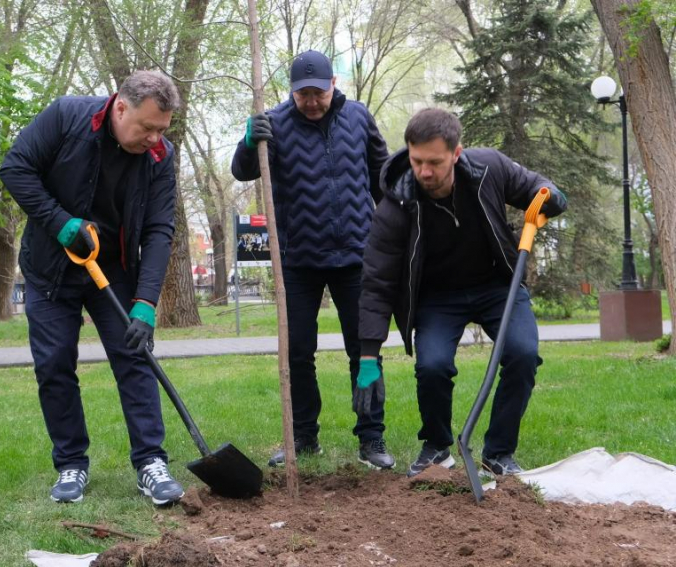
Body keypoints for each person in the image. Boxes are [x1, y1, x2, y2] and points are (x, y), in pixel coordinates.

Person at [0, 70, 185, 505]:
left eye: (162, 129)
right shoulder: (66, 117)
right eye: (148, 127)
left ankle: (150, 462)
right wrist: (60, 223)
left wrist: (145, 302)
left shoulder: (160, 155)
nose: (155, 139)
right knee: (54, 365)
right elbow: (15, 168)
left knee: (135, 357)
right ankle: (71, 464)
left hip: (114, 269)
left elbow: (159, 228)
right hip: (51, 268)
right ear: (120, 108)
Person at [356, 108, 567, 478]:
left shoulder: (489, 168)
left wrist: (550, 197)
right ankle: (436, 447)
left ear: (456, 153)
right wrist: (368, 356)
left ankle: (498, 453)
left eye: (435, 162)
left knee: (523, 354)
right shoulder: (396, 205)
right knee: (432, 366)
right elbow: (377, 281)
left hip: (497, 285)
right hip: (438, 297)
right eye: (417, 161)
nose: (424, 171)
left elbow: (539, 189)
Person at [232, 50, 393, 469]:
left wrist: (394, 230)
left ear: (332, 84)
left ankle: (371, 438)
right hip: (298, 259)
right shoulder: (274, 123)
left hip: (356, 255)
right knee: (297, 352)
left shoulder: (358, 117)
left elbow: (383, 178)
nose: (311, 101)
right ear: (292, 91)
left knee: (364, 349)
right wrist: (249, 142)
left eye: (318, 93)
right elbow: (242, 171)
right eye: (303, 94)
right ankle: (303, 437)